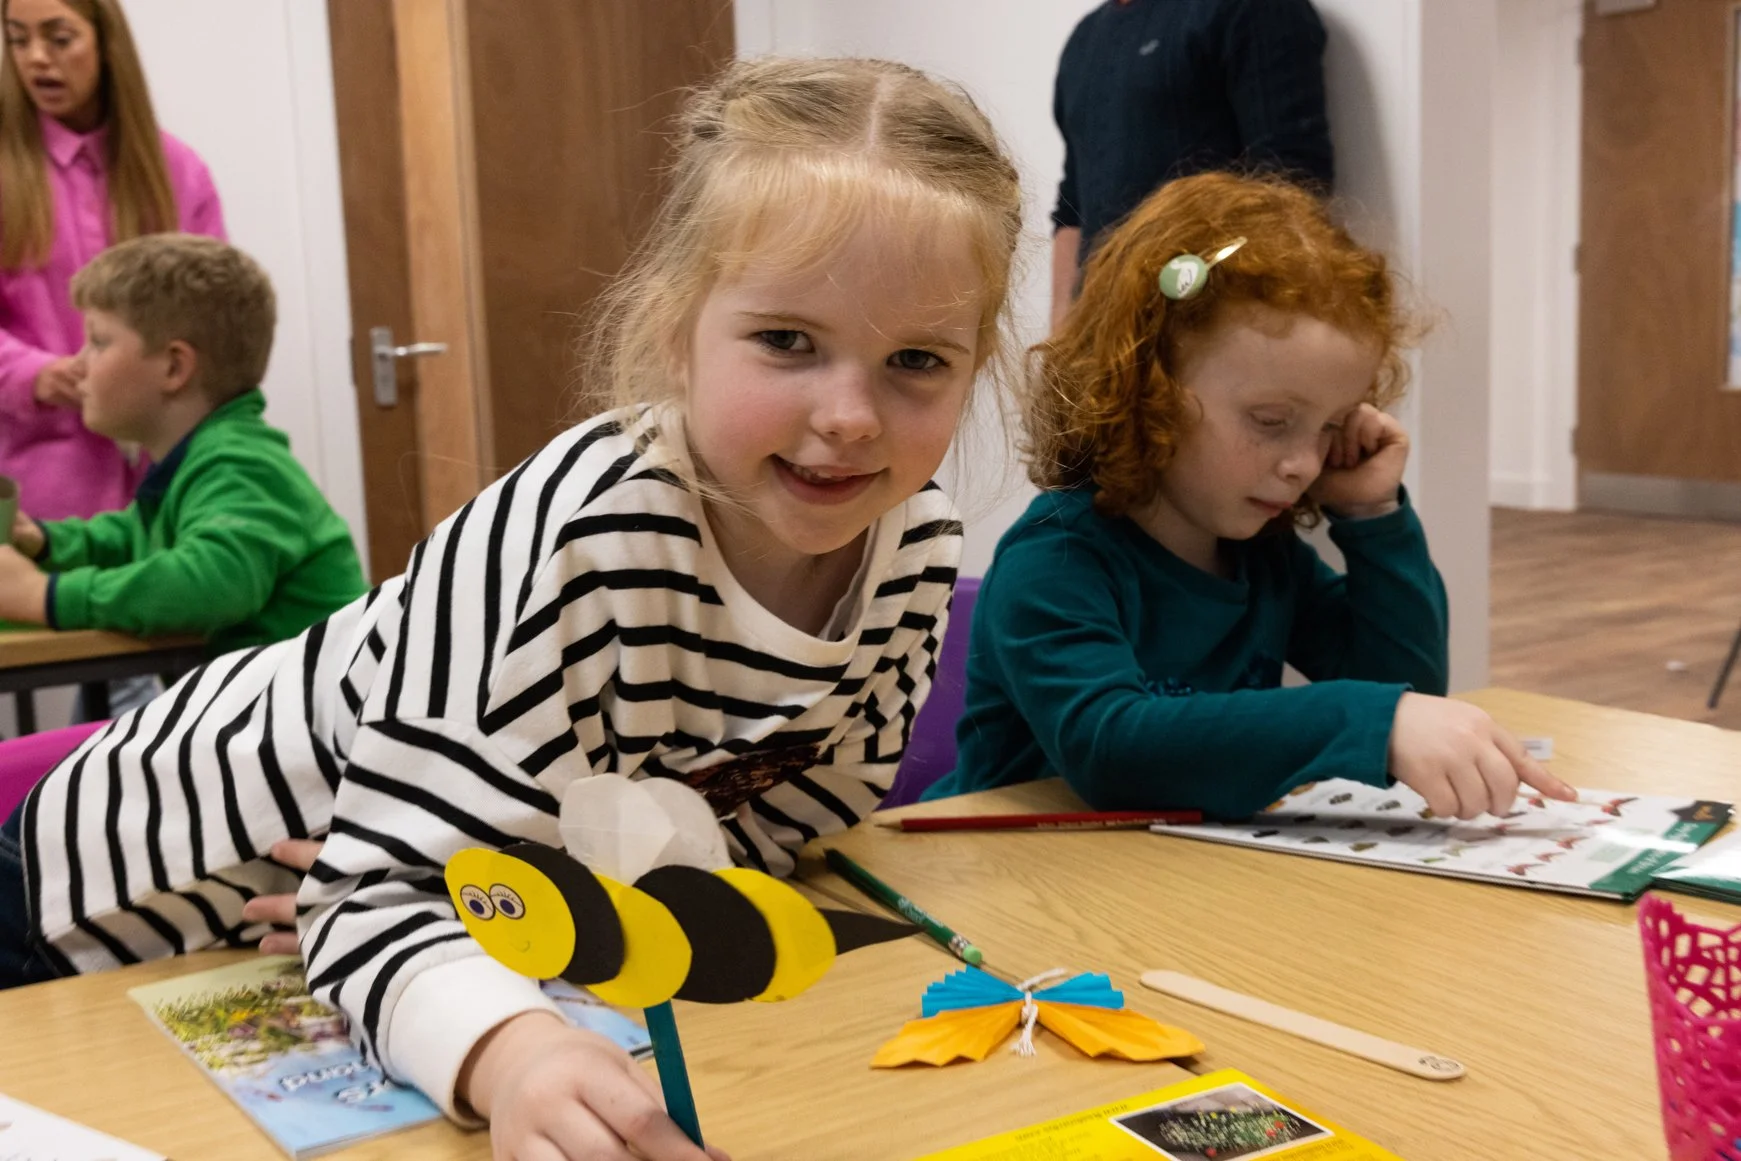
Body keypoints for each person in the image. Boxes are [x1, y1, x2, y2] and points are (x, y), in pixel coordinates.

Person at [2, 57, 1023, 1161]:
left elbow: (788, 815)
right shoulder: (582, 536)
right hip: (110, 902)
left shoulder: (915, 543)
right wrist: (515, 1050)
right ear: (677, 329)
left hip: (374, 921)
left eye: (917, 360)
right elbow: (365, 900)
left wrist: (547, 903)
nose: (850, 418)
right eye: (787, 342)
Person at [929, 172, 1578, 823]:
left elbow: (1400, 683)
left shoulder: (1263, 556)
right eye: (1270, 421)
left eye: (1329, 426)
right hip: (1003, 877)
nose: (1302, 463)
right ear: (1144, 389)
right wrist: (1374, 720)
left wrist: (1372, 516)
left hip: (1161, 879)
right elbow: (1108, 748)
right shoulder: (1056, 558)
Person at [0, 234, 367, 651]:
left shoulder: (240, 463)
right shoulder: (193, 461)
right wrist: (46, 541)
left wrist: (43, 596)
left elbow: (208, 585)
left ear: (174, 367)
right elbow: (130, 537)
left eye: (99, 342)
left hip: (333, 711)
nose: (78, 363)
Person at [0, 0, 225, 522]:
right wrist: (34, 375)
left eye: (59, 39)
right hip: (40, 488)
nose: (36, 59)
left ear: (106, 45)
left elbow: (218, 317)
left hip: (172, 472)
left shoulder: (178, 171)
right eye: (17, 39)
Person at [1050, 0, 1333, 330]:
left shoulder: (1253, 8)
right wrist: (1061, 336)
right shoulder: (1085, 40)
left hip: (1209, 335)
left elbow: (1292, 189)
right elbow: (1073, 207)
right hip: (1103, 339)